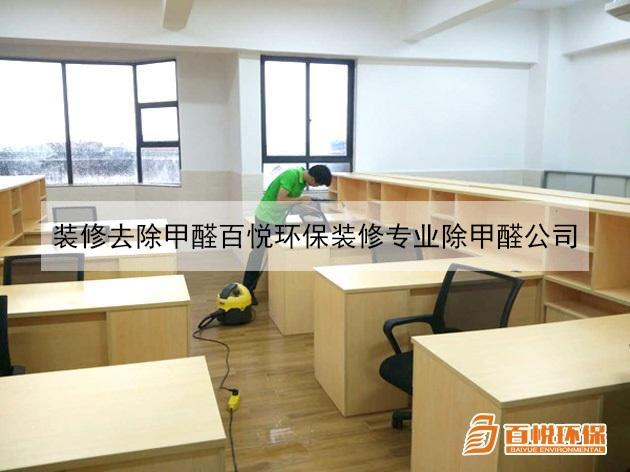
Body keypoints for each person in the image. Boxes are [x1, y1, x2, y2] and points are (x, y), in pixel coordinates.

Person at [243, 165, 332, 304]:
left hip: (278, 220)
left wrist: (309, 208)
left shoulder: (302, 182)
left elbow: (291, 202)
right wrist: (301, 199)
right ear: (313, 179)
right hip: (265, 217)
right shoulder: (291, 175)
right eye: (318, 184)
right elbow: (281, 201)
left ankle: (278, 291)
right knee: (258, 254)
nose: (316, 187)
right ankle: (247, 291)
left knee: (281, 253)